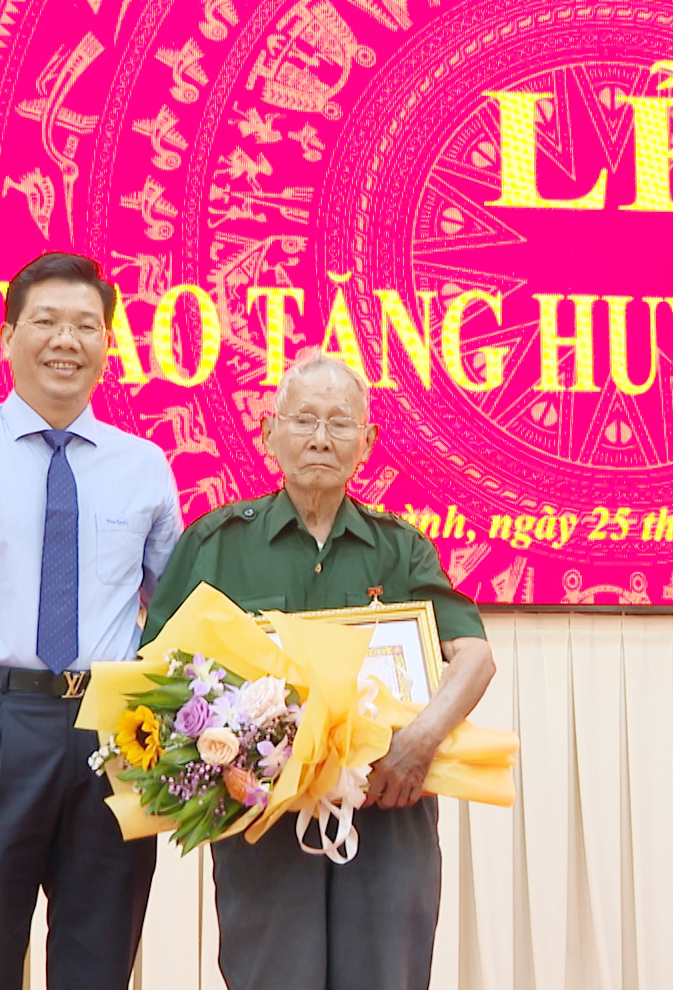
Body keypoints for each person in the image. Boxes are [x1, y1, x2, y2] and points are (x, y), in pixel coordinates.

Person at [140, 350, 497, 990]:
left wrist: (418, 743)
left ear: (367, 442)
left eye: (340, 423)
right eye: (304, 420)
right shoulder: (216, 544)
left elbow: (475, 657)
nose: (321, 438)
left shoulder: (401, 548)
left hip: (387, 805)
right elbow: (156, 676)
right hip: (263, 820)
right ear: (270, 433)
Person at [0, 252, 182, 990]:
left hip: (112, 733)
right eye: (46, 321)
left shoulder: (144, 466)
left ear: (108, 345)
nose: (65, 340)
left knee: (99, 966)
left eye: (86, 325)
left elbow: (177, 617)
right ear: (8, 336)